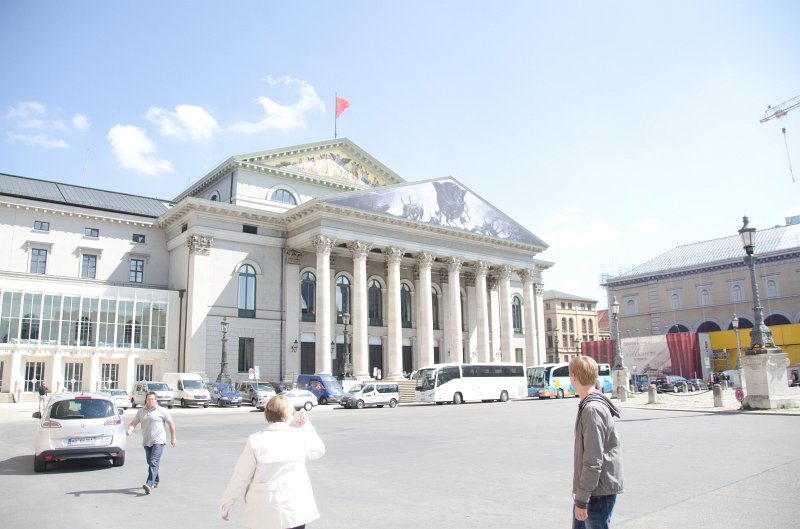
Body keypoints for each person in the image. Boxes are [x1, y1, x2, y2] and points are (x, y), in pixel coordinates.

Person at [220, 394, 325, 529]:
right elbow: (318, 451)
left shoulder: (256, 440)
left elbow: (240, 476)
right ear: (288, 415)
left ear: (267, 415)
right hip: (294, 508)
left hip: (264, 509)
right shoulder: (300, 436)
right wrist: (307, 427)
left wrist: (226, 504)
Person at [569, 356, 624, 529]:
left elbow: (593, 460)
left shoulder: (592, 409)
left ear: (574, 377)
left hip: (596, 493)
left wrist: (582, 499)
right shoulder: (592, 404)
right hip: (592, 490)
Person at [126, 391, 176, 494]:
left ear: (156, 400)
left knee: (153, 461)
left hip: (159, 440)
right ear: (146, 400)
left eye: (152, 399)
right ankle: (156, 480)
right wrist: (130, 429)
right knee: (150, 462)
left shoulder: (162, 411)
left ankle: (149, 484)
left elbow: (171, 424)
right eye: (149, 399)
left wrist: (173, 438)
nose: (151, 401)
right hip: (147, 441)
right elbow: (134, 422)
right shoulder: (141, 412)